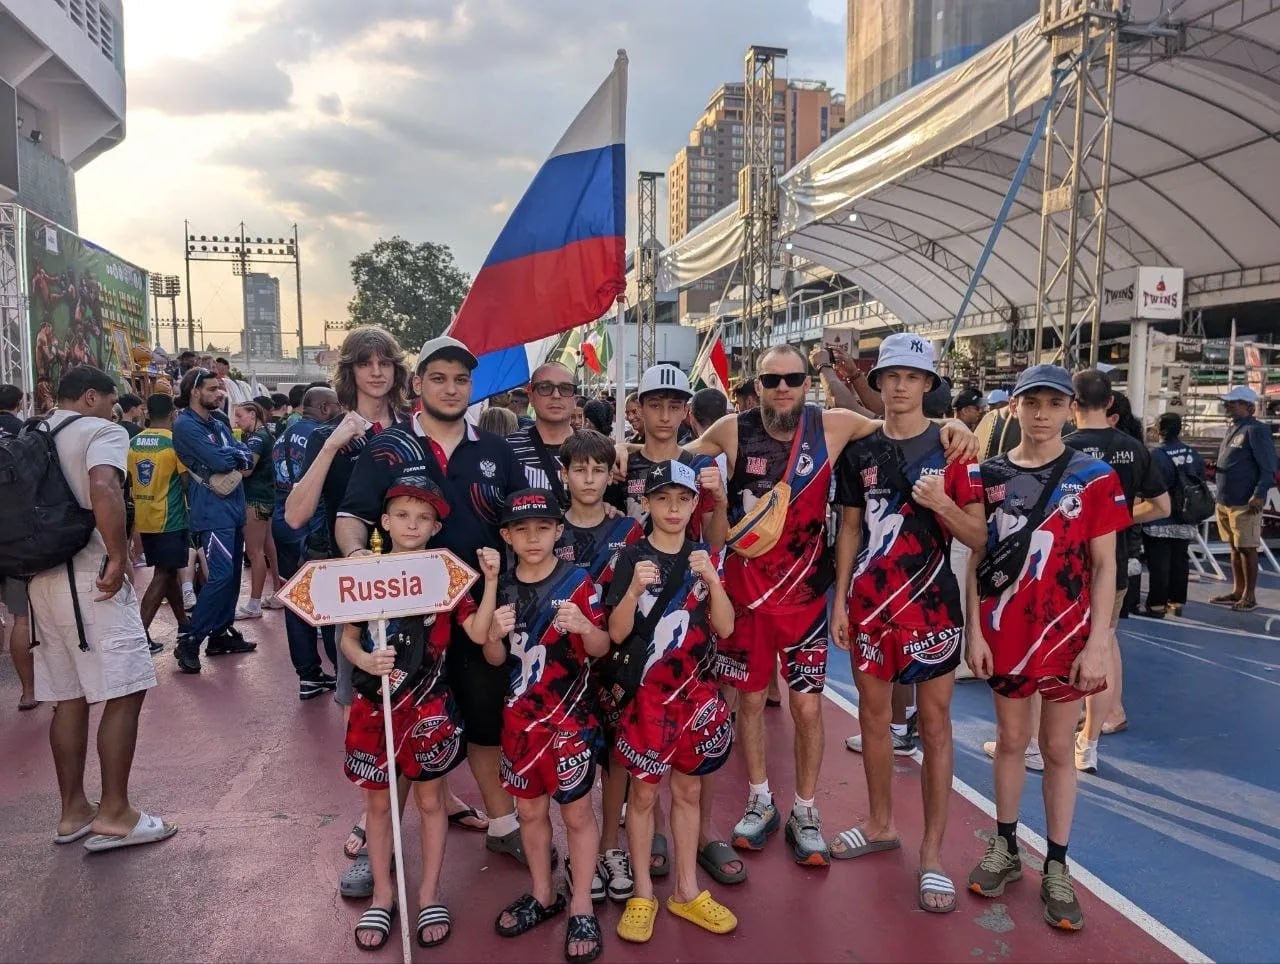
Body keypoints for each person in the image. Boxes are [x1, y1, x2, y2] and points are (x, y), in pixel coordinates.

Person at [691, 341, 974, 867]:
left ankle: (804, 808)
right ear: (755, 387)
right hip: (747, 598)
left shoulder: (835, 425)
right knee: (750, 703)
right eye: (770, 380)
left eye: (793, 379)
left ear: (807, 383)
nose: (781, 389)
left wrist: (959, 426)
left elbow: (897, 423)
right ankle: (758, 798)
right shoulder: (732, 430)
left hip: (806, 599)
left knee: (805, 707)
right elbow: (677, 459)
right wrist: (627, 458)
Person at [336, 335, 532, 869]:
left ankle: (503, 823)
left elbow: (521, 523)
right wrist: (359, 560)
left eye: (461, 379)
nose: (451, 388)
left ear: (473, 386)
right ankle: (382, 849)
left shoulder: (496, 450)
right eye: (439, 377)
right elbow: (352, 516)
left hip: (476, 611)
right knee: (394, 729)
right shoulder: (387, 448)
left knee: (484, 720)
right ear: (418, 383)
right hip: (402, 617)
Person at [964, 364, 1129, 932]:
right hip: (1006, 631)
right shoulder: (989, 475)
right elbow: (977, 560)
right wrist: (975, 630)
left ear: (1068, 409)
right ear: (1014, 407)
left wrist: (1100, 642)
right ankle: (1006, 845)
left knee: (1059, 748)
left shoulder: (1095, 476)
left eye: (1052, 403)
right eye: (1030, 401)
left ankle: (1058, 864)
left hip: (1068, 636)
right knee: (1011, 739)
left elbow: (1106, 565)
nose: (1041, 413)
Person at [828, 337, 987, 912]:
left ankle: (933, 854)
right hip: (871, 605)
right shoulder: (860, 449)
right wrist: (841, 598)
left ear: (927, 385)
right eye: (890, 375)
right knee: (873, 717)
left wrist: (943, 505)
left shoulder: (954, 450)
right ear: (878, 381)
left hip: (931, 605)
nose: (899, 385)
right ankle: (879, 825)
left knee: (937, 725)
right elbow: (849, 528)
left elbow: (978, 536)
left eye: (911, 376)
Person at [284, 325, 415, 894]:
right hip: (353, 581)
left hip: (413, 580)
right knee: (359, 693)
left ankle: (434, 790)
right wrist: (335, 442)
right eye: (366, 362)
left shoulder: (413, 430)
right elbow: (294, 515)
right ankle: (373, 814)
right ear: (351, 370)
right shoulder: (325, 435)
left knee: (423, 689)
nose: (377, 371)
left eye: (386, 361)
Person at [343, 475, 499, 952]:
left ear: (435, 527)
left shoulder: (446, 574)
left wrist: (490, 581)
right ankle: (385, 895)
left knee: (431, 803)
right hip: (374, 710)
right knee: (379, 804)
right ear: (385, 522)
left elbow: (476, 631)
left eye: (424, 517)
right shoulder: (363, 573)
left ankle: (430, 891)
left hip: (429, 708)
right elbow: (348, 638)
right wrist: (365, 660)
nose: (413, 524)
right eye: (403, 515)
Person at [27, 366, 176, 852]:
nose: (116, 411)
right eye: (111, 401)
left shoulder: (35, 430)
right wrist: (117, 556)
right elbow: (105, 486)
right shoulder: (102, 430)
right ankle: (116, 813)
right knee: (127, 688)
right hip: (91, 577)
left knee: (66, 696)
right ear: (91, 396)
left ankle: (73, 810)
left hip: (42, 577)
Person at [608, 461, 737, 945]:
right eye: (663, 499)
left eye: (683, 499)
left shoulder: (705, 555)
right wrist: (635, 589)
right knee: (641, 796)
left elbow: (724, 627)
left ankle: (686, 889)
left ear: (694, 504)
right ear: (647, 502)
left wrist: (715, 580)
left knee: (687, 792)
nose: (674, 508)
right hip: (647, 700)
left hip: (696, 697)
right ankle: (643, 893)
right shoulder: (631, 557)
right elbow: (616, 632)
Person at [484, 488, 610, 963]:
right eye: (522, 530)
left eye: (542, 528)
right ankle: (543, 893)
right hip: (520, 725)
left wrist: (583, 626)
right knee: (531, 814)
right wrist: (493, 635)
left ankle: (580, 902)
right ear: (507, 536)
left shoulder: (579, 580)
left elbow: (600, 648)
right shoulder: (503, 588)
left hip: (570, 724)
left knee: (577, 815)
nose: (532, 538)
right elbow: (494, 658)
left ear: (559, 531)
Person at [554, 430, 645, 904]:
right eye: (579, 469)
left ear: (612, 475)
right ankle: (578, 850)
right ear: (563, 473)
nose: (589, 478)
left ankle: (610, 846)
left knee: (615, 761)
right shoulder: (548, 528)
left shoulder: (628, 531)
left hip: (616, 664)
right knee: (572, 761)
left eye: (598, 469)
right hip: (561, 671)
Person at [1064, 369, 1169, 773]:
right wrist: (1118, 519)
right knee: (1104, 643)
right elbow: (1162, 506)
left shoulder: (1062, 448)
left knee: (1064, 648)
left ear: (1071, 404)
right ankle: (1093, 737)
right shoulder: (1133, 448)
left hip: (1068, 568)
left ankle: (1049, 736)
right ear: (1110, 403)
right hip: (1116, 564)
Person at [172, 367, 256, 673]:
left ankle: (220, 633)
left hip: (232, 506)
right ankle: (191, 639)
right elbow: (225, 459)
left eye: (218, 389)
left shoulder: (218, 421)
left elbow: (245, 454)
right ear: (194, 392)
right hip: (211, 509)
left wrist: (232, 454)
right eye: (211, 389)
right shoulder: (185, 425)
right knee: (220, 576)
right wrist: (233, 455)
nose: (219, 394)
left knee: (232, 576)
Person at [272, 385, 342, 699]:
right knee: (328, 601)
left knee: (297, 599)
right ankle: (341, 673)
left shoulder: (283, 434)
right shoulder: (322, 437)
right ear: (325, 408)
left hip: (282, 520)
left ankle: (308, 675)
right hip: (312, 525)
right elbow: (320, 493)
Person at [127, 394, 192, 653]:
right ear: (173, 414)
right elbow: (186, 482)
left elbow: (129, 479)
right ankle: (139, 635)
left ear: (146, 413)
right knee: (164, 574)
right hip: (171, 518)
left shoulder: (133, 442)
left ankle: (184, 624)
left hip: (145, 517)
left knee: (169, 572)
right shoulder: (175, 442)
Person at [1211, 386, 1277, 612]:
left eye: (1234, 402)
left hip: (1244, 500)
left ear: (1249, 406)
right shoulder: (1235, 428)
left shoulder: (1256, 430)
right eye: (1229, 402)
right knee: (1234, 547)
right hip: (1227, 499)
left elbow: (1269, 467)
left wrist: (1259, 494)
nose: (1229, 405)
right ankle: (1238, 590)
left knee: (1247, 548)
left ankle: (1249, 595)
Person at [1143, 413, 1207, 618]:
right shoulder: (1192, 453)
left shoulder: (1157, 456)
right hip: (1186, 515)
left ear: (1160, 430)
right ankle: (1177, 602)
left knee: (1159, 563)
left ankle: (1157, 604)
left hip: (1160, 516)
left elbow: (1149, 486)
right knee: (1180, 561)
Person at [0, 384, 35, 708]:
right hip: (12, 539)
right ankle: (29, 692)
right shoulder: (24, 433)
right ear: (19, 403)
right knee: (23, 619)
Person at [232, 401, 283, 618]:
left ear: (252, 415)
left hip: (255, 500)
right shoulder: (263, 435)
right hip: (266, 497)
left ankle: (254, 604)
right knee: (268, 547)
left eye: (240, 416)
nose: (237, 420)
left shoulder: (256, 438)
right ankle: (278, 593)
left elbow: (246, 470)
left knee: (254, 551)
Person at [508, 362, 578, 504]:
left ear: (575, 400)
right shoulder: (506, 449)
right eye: (545, 387)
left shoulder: (595, 448)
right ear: (531, 398)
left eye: (565, 388)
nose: (556, 395)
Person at [809, 345, 883, 417]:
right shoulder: (888, 414)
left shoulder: (890, 422)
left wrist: (823, 365)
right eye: (891, 376)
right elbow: (879, 409)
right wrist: (853, 374)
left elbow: (846, 409)